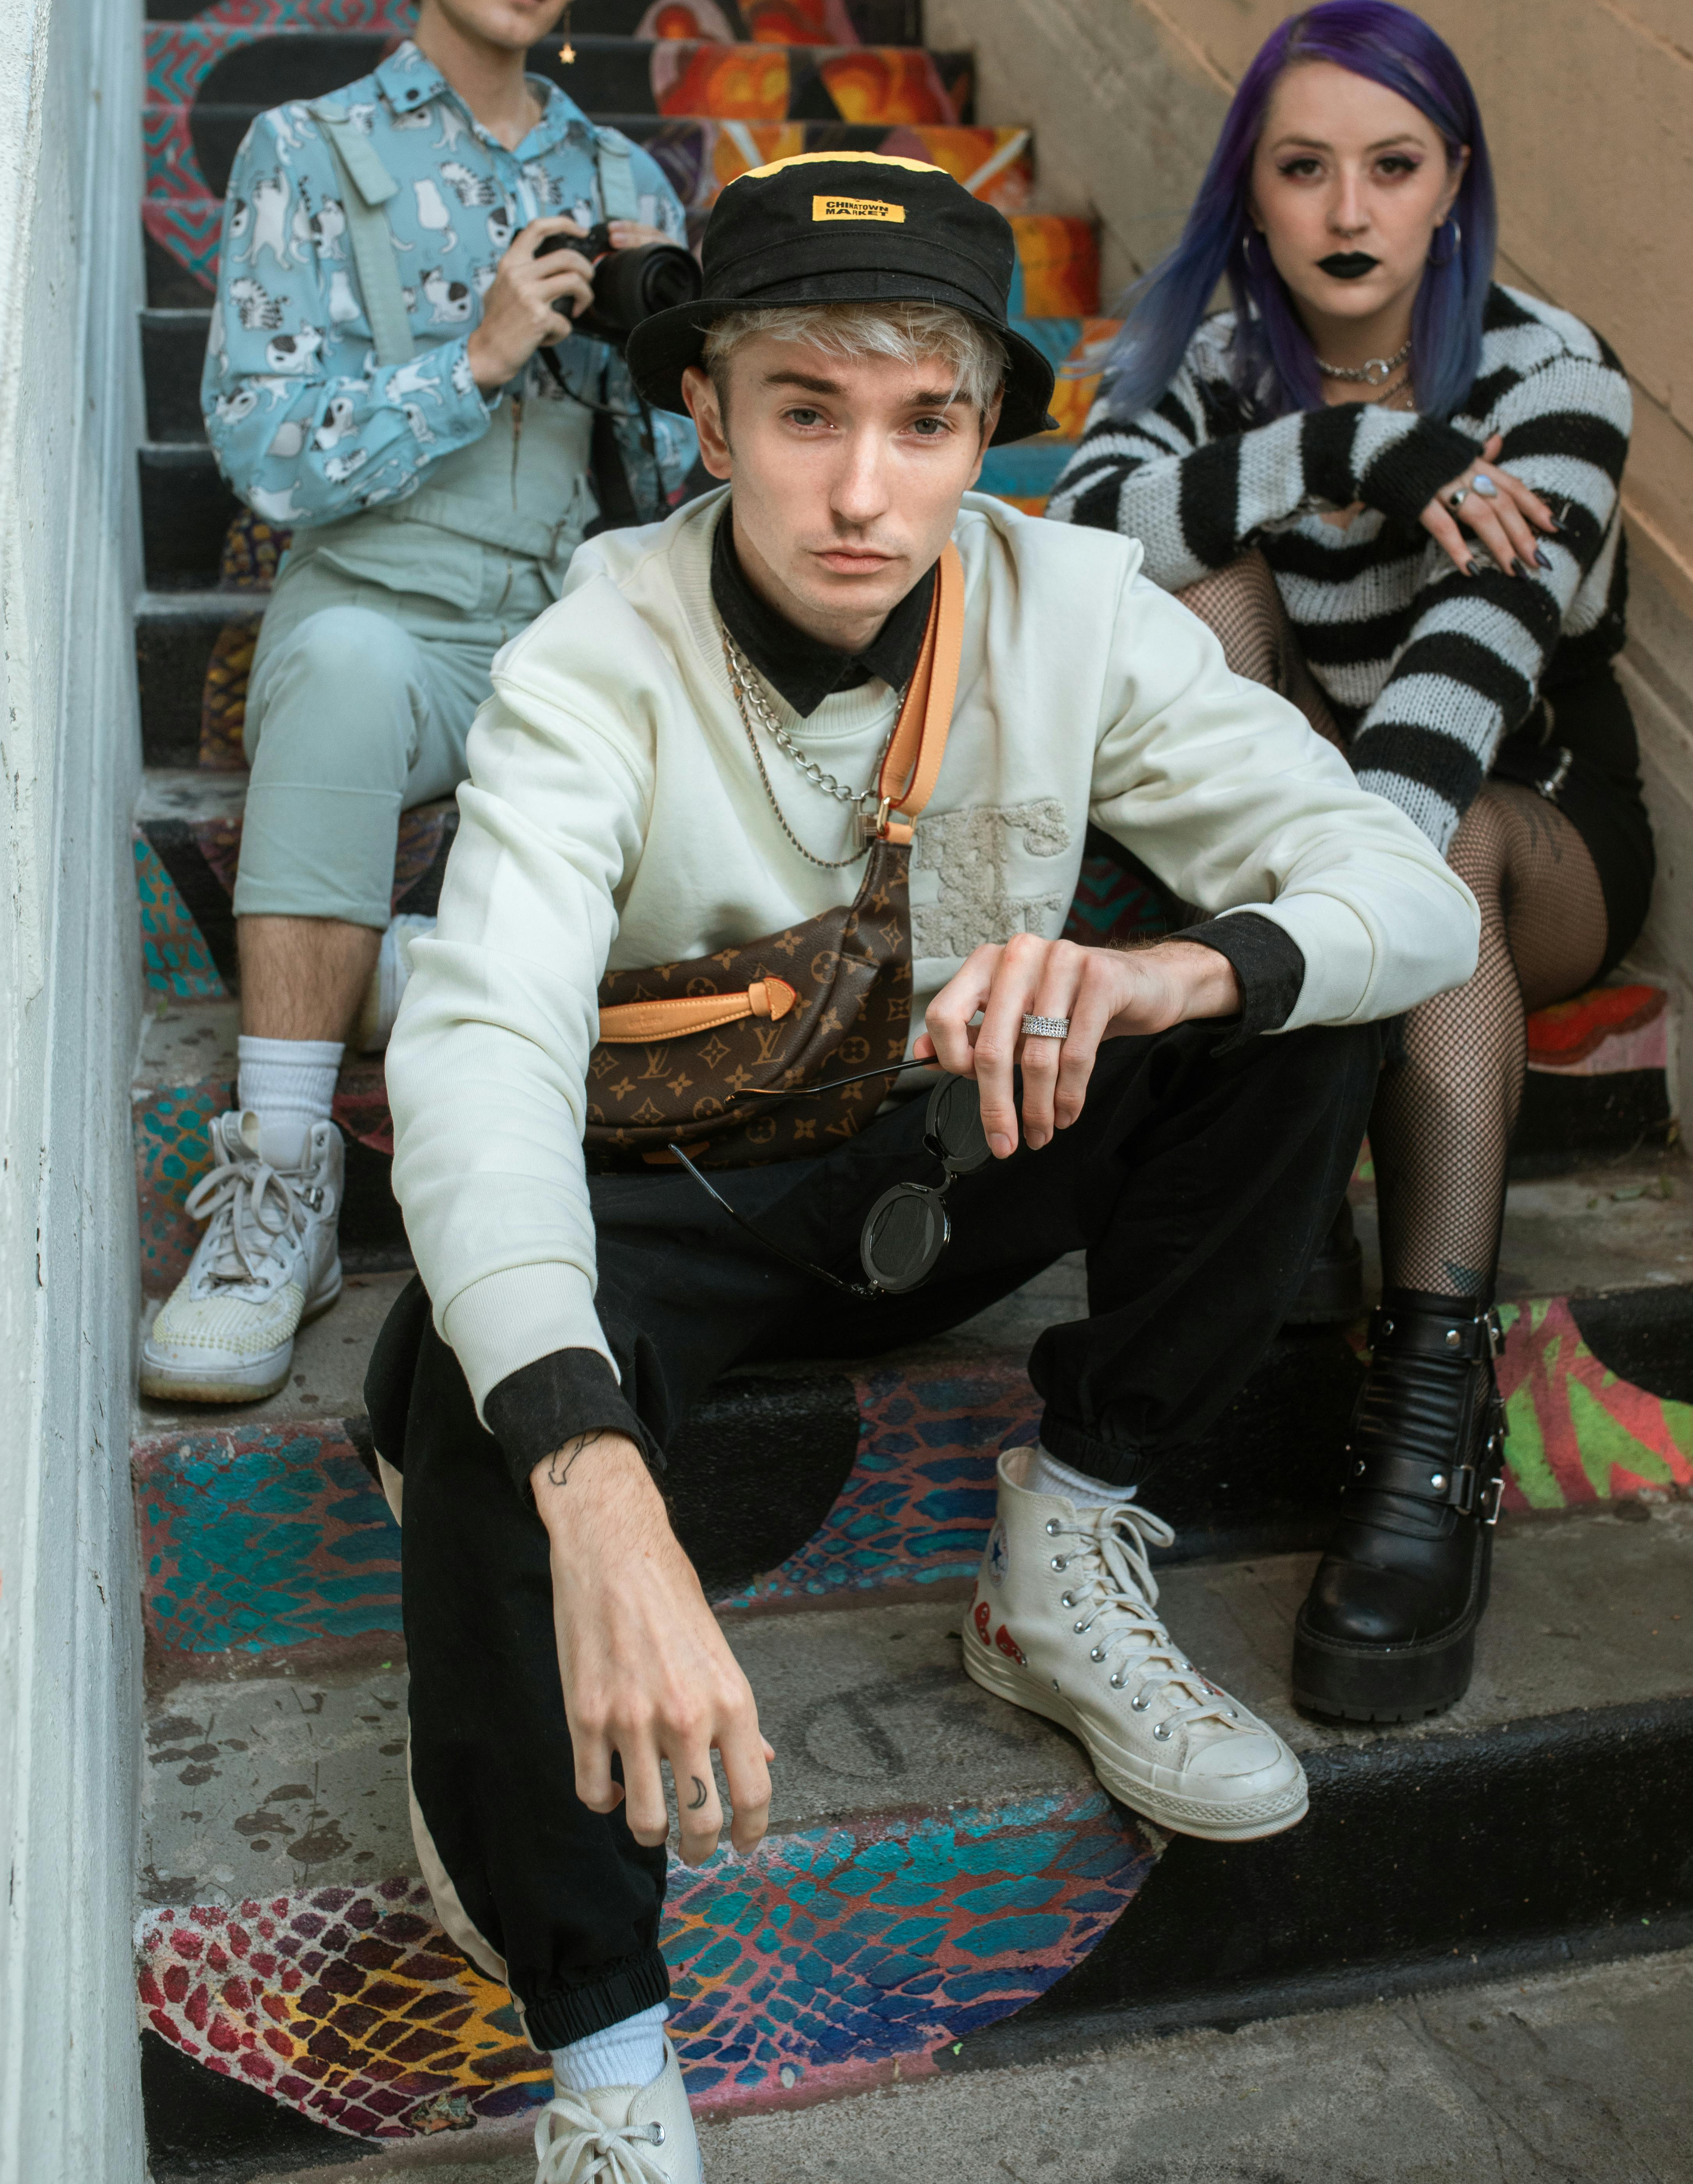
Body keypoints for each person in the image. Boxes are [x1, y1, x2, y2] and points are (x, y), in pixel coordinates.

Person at [371, 148, 1478, 2180]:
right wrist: (597, 1469)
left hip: (956, 1164)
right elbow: (471, 1050)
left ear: (983, 433)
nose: (863, 493)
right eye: (804, 415)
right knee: (488, 1403)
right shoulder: (588, 661)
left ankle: (1069, 1534)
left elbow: (1404, 903)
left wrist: (1159, 973)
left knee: (1286, 988)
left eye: (924, 423)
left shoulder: (1069, 606)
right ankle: (607, 2055)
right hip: (682, 1205)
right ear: (703, 417)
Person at [1050, 0, 1651, 1728]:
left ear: (1451, 185)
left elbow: (1481, 645)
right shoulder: (1200, 365)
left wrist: (1333, 928)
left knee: (1438, 838)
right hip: (1296, 820)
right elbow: (1080, 542)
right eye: (1303, 167)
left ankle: (1426, 1418)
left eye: (1391, 169)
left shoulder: (1553, 369)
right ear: (1251, 186)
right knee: (1205, 589)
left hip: (1519, 824)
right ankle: (1290, 1088)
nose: (1346, 210)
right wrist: (1354, 450)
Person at [140, 0, 699, 1406]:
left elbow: (667, 492)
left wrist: (683, 366)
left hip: (569, 622)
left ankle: (405, 979)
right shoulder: (306, 154)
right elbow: (262, 451)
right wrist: (472, 357)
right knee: (338, 677)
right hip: (382, 601)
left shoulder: (627, 187)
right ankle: (286, 1180)